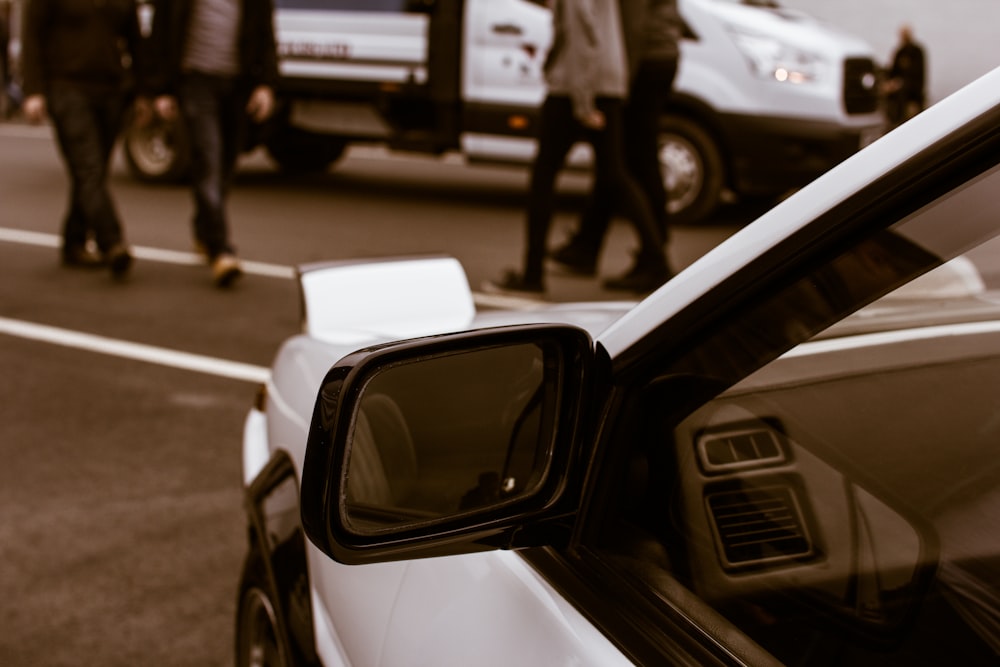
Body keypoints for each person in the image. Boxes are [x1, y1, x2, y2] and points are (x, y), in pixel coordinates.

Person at [484, 0, 670, 297]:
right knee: (615, 174)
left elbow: (583, 31)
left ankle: (532, 274)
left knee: (544, 176)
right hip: (609, 82)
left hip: (574, 87)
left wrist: (582, 101)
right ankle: (657, 258)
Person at [549, 0, 682, 292]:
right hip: (660, 53)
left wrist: (619, 90)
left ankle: (653, 257)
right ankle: (587, 244)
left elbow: (632, 25)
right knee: (617, 161)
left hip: (643, 61)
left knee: (635, 161)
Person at [147, 0, 279, 287]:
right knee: (209, 158)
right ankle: (221, 250)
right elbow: (160, 35)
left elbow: (266, 36)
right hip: (196, 83)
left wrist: (266, 85)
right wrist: (160, 90)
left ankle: (203, 228)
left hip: (237, 86)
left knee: (225, 167)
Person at [20, 0, 148, 275]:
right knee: (88, 167)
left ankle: (74, 242)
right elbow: (32, 35)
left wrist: (142, 92)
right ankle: (111, 241)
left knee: (93, 172)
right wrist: (33, 91)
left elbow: (135, 39)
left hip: (112, 90)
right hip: (66, 88)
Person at [884, 24, 926, 127]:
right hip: (898, 96)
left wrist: (900, 84)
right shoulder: (899, 52)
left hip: (912, 94)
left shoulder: (917, 52)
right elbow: (892, 72)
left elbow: (919, 75)